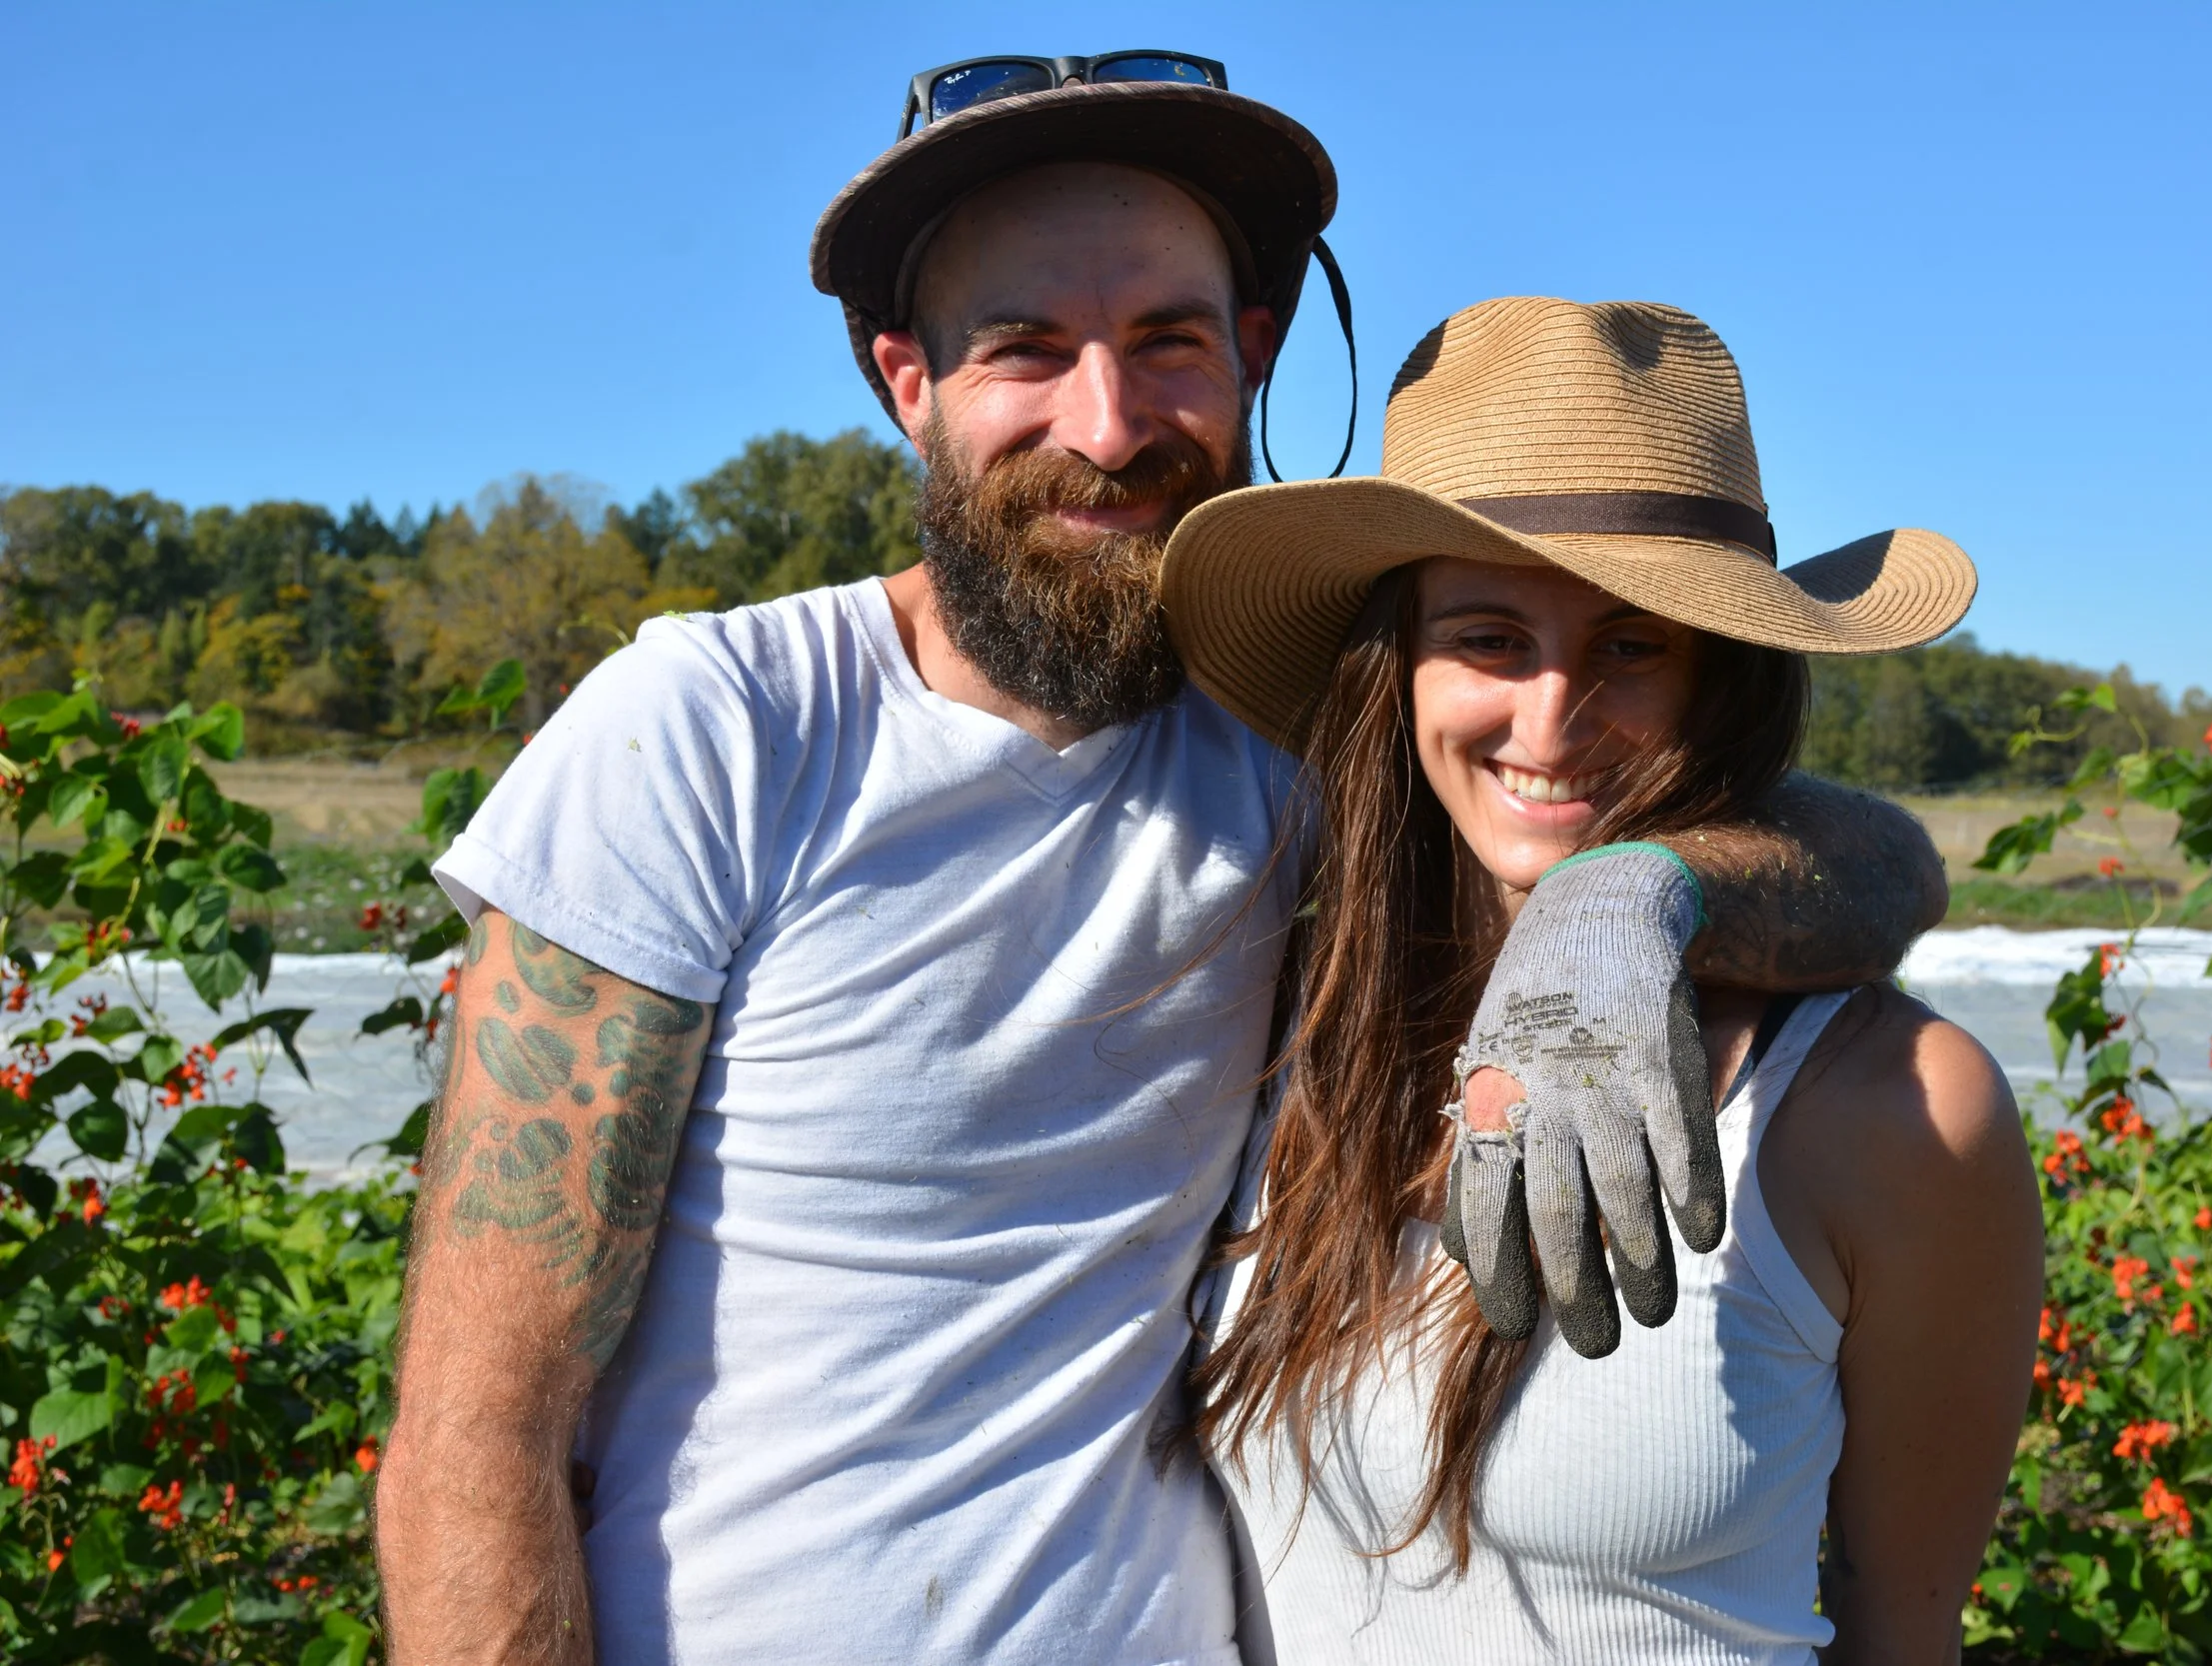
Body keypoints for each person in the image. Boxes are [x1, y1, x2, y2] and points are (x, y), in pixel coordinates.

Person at [375, 58, 1951, 1664]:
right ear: (903, 377)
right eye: (1028, 349)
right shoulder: (721, 733)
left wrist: (1632, 899)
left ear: (1255, 356)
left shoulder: (1290, 759)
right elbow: (474, 1440)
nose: (1110, 423)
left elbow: (1859, 857)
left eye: (1169, 343)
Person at [1164, 297, 2046, 1664]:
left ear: (1721, 681)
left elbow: (1905, 1629)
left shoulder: (1898, 1113)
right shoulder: (1291, 1012)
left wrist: (1629, 889)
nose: (1552, 717)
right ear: (1396, 665)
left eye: (1633, 643)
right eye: (1490, 637)